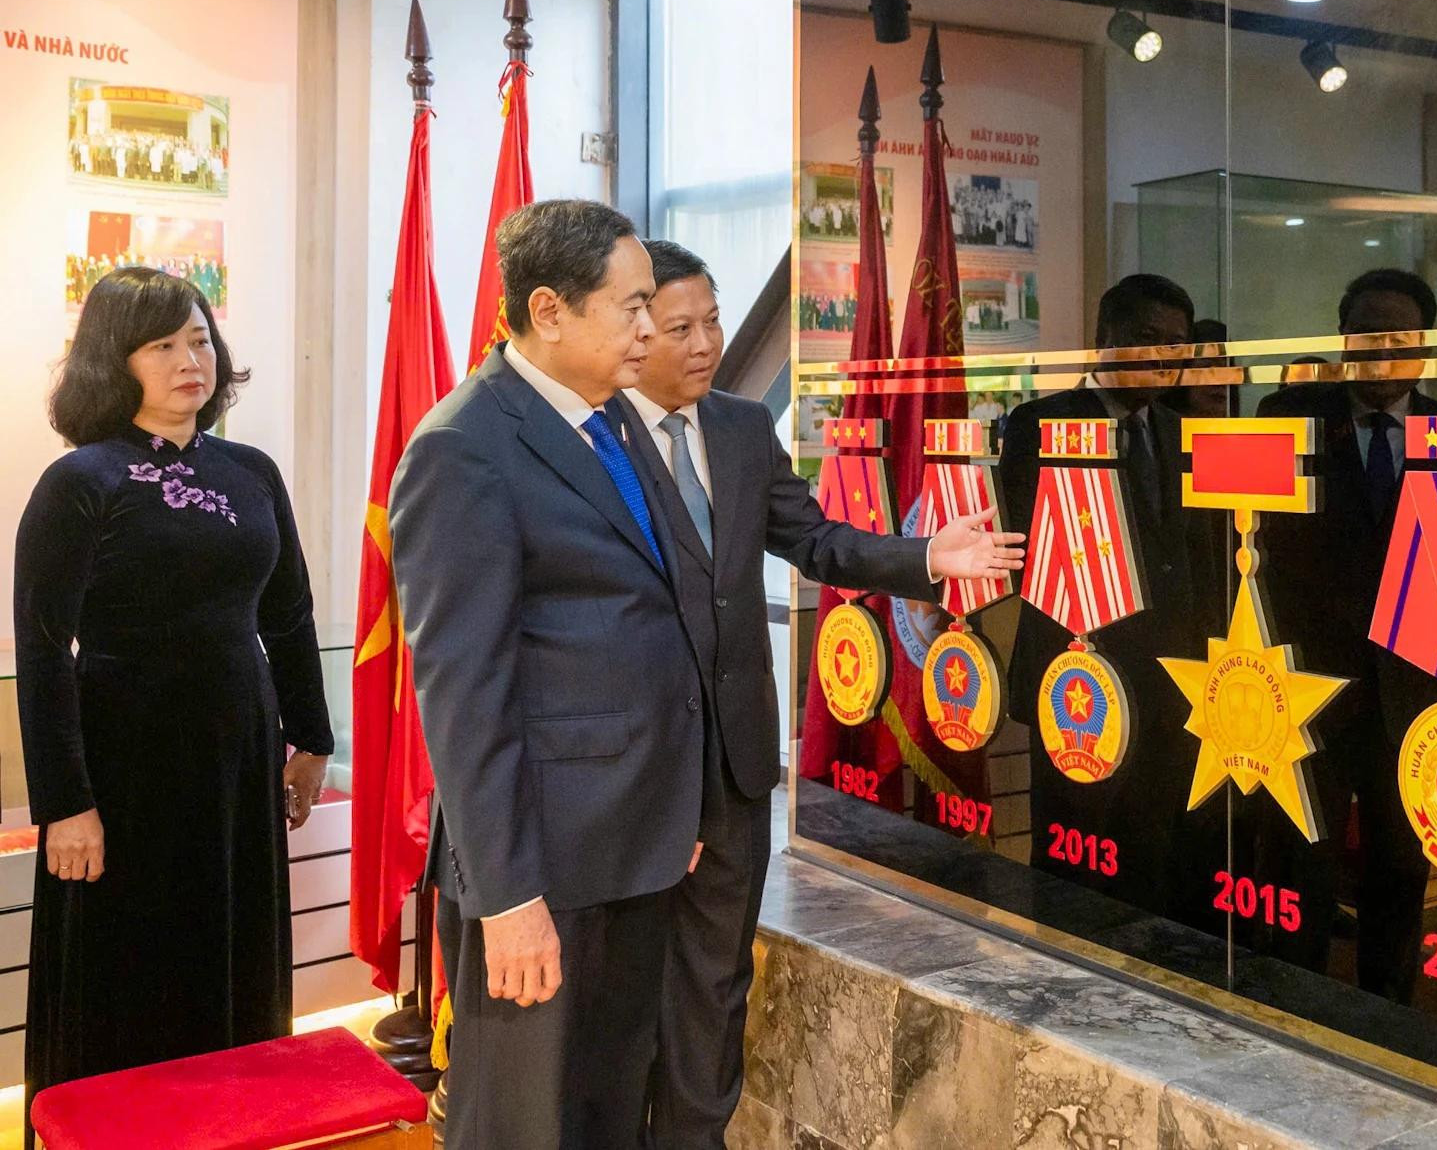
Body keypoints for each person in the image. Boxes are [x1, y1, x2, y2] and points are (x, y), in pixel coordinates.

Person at [390, 204, 1018, 1149]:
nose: (656, 334)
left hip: (639, 841)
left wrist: (676, 806)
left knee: (608, 1093)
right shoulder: (463, 446)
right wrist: (509, 898)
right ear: (551, 310)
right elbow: (465, 693)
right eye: (637, 308)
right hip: (546, 861)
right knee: (525, 1116)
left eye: (675, 313)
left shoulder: (609, 425)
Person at [624, 239, 1021, 1146]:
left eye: (713, 320)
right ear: (634, 329)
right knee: (627, 995)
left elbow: (818, 541)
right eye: (679, 326)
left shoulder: (734, 426)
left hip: (731, 771)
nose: (705, 342)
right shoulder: (593, 437)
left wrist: (925, 557)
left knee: (716, 990)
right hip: (636, 773)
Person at [14, 268, 332, 1135]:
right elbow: (42, 651)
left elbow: (292, 613)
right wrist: (66, 804)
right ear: (115, 360)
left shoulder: (252, 470)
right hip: (121, 765)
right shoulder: (81, 481)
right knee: (130, 973)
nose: (190, 359)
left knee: (230, 958)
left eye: (199, 338)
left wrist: (311, 738)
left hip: (235, 756)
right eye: (162, 344)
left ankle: (232, 1125)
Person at [1001, 275, 1230, 929]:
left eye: (1178, 345)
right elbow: (1031, 552)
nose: (1164, 357)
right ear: (1105, 341)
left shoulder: (1184, 432)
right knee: (1076, 869)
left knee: (1154, 861)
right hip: (1081, 685)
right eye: (1147, 340)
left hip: (1172, 690)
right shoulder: (1039, 423)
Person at [1253, 268, 1437, 1002]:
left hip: (1412, 689)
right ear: (1343, 338)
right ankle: (1292, 1010)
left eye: (1401, 336)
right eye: (1368, 333)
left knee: (1400, 869)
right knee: (1300, 864)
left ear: (1426, 347)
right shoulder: (1286, 415)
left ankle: (1388, 1018)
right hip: (1308, 688)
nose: (1383, 349)